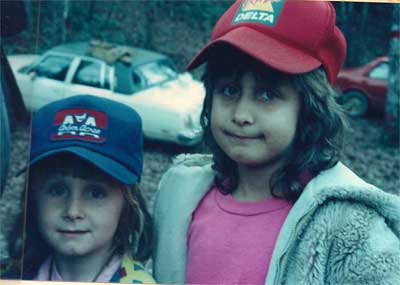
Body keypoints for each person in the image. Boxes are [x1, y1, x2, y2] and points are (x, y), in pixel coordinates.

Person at [152, 1, 400, 284]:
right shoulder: (178, 198)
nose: (241, 115)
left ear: (310, 110)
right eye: (229, 90)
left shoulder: (351, 228)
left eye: (267, 95)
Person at [3, 95, 155, 283]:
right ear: (32, 198)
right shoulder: (12, 276)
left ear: (128, 204)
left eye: (96, 193)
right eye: (57, 190)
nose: (73, 211)